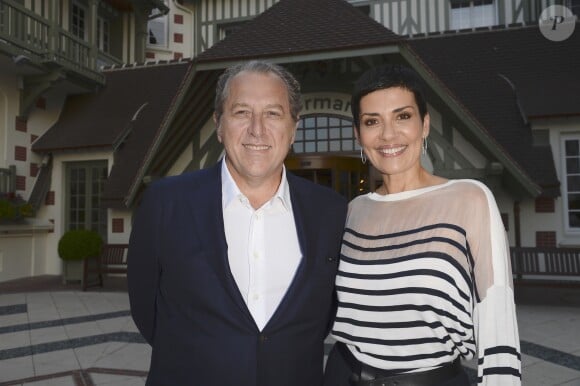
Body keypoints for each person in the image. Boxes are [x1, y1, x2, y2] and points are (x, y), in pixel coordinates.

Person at [127, 60, 347, 386]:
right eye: (242, 112)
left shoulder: (331, 211)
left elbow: (324, 314)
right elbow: (147, 310)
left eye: (273, 113)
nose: (257, 129)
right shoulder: (165, 203)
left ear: (293, 126)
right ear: (219, 124)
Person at [323, 64, 521, 386]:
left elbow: (497, 316)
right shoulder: (353, 211)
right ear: (358, 134)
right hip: (343, 374)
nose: (388, 134)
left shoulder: (468, 199)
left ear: (425, 124)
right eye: (372, 121)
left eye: (402, 116)